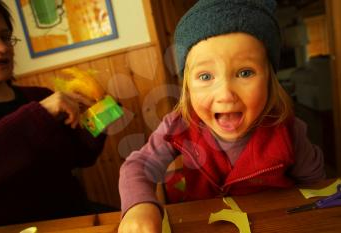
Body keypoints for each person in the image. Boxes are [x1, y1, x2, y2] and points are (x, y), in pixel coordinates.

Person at [118, 0, 326, 232]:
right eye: (206, 76)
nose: (225, 95)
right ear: (187, 87)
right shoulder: (178, 124)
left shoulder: (289, 130)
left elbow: (316, 188)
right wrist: (139, 206)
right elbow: (138, 165)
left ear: (270, 79)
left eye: (245, 72)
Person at [0, 0, 107, 226]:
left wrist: (101, 116)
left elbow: (81, 156)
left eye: (5, 37)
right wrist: (41, 113)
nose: (3, 48)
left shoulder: (38, 96)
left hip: (75, 218)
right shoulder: (42, 106)